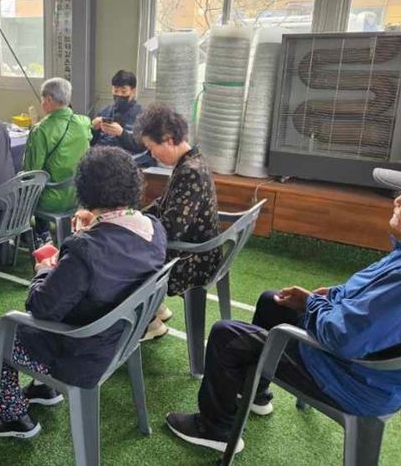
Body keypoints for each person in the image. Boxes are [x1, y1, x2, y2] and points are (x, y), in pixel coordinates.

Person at [165, 168, 401, 455]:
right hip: (355, 365)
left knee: (227, 335)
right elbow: (358, 295)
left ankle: (215, 430)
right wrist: (327, 297)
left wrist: (313, 304)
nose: (397, 200)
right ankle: (255, 393)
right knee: (272, 302)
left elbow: (342, 338)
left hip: (351, 379)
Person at [0, 146, 167, 438]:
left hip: (79, 353)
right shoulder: (154, 228)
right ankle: (44, 390)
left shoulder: (85, 249)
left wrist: (44, 269)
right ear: (133, 183)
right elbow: (111, 258)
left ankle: (13, 417)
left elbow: (40, 307)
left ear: (85, 190)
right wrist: (92, 228)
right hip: (120, 340)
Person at [136, 104, 221, 340]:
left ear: (168, 139)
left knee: (127, 256)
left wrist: (135, 228)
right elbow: (165, 205)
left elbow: (171, 230)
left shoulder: (190, 171)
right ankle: (156, 306)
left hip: (193, 261)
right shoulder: (193, 159)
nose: (152, 155)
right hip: (199, 250)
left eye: (151, 148)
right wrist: (135, 217)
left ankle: (149, 322)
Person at [24, 77, 92, 234]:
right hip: (77, 195)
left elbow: (33, 173)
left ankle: (40, 233)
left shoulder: (40, 130)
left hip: (51, 200)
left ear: (48, 99)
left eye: (42, 99)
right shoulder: (83, 123)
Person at [91, 70, 143, 154]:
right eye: (115, 91)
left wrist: (121, 134)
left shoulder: (141, 115)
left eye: (123, 92)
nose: (119, 95)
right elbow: (91, 142)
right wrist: (93, 129)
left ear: (133, 91)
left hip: (126, 156)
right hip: (101, 153)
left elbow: (142, 147)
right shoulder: (105, 112)